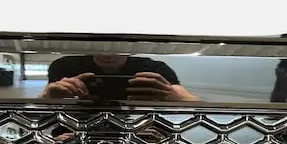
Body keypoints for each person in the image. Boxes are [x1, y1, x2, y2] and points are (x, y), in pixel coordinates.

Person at [40, 54, 199, 101]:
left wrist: (173, 96)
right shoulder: (65, 66)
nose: (108, 54)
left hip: (142, 131)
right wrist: (49, 96)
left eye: (117, 48)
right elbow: (42, 101)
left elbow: (192, 101)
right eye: (101, 45)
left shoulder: (154, 68)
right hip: (73, 129)